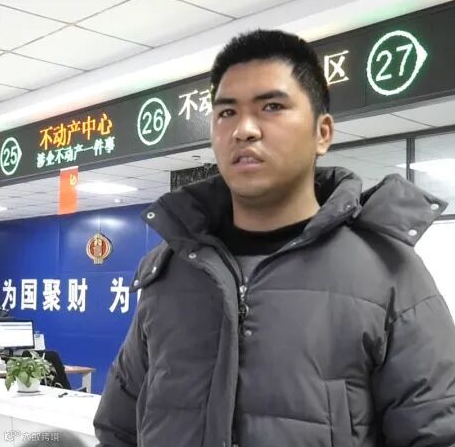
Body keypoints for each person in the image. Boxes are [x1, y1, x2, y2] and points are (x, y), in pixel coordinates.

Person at [93, 29, 455, 447]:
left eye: (272, 107)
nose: (244, 130)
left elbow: (437, 435)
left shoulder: (389, 274)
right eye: (227, 113)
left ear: (323, 133)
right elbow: (119, 429)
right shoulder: (172, 270)